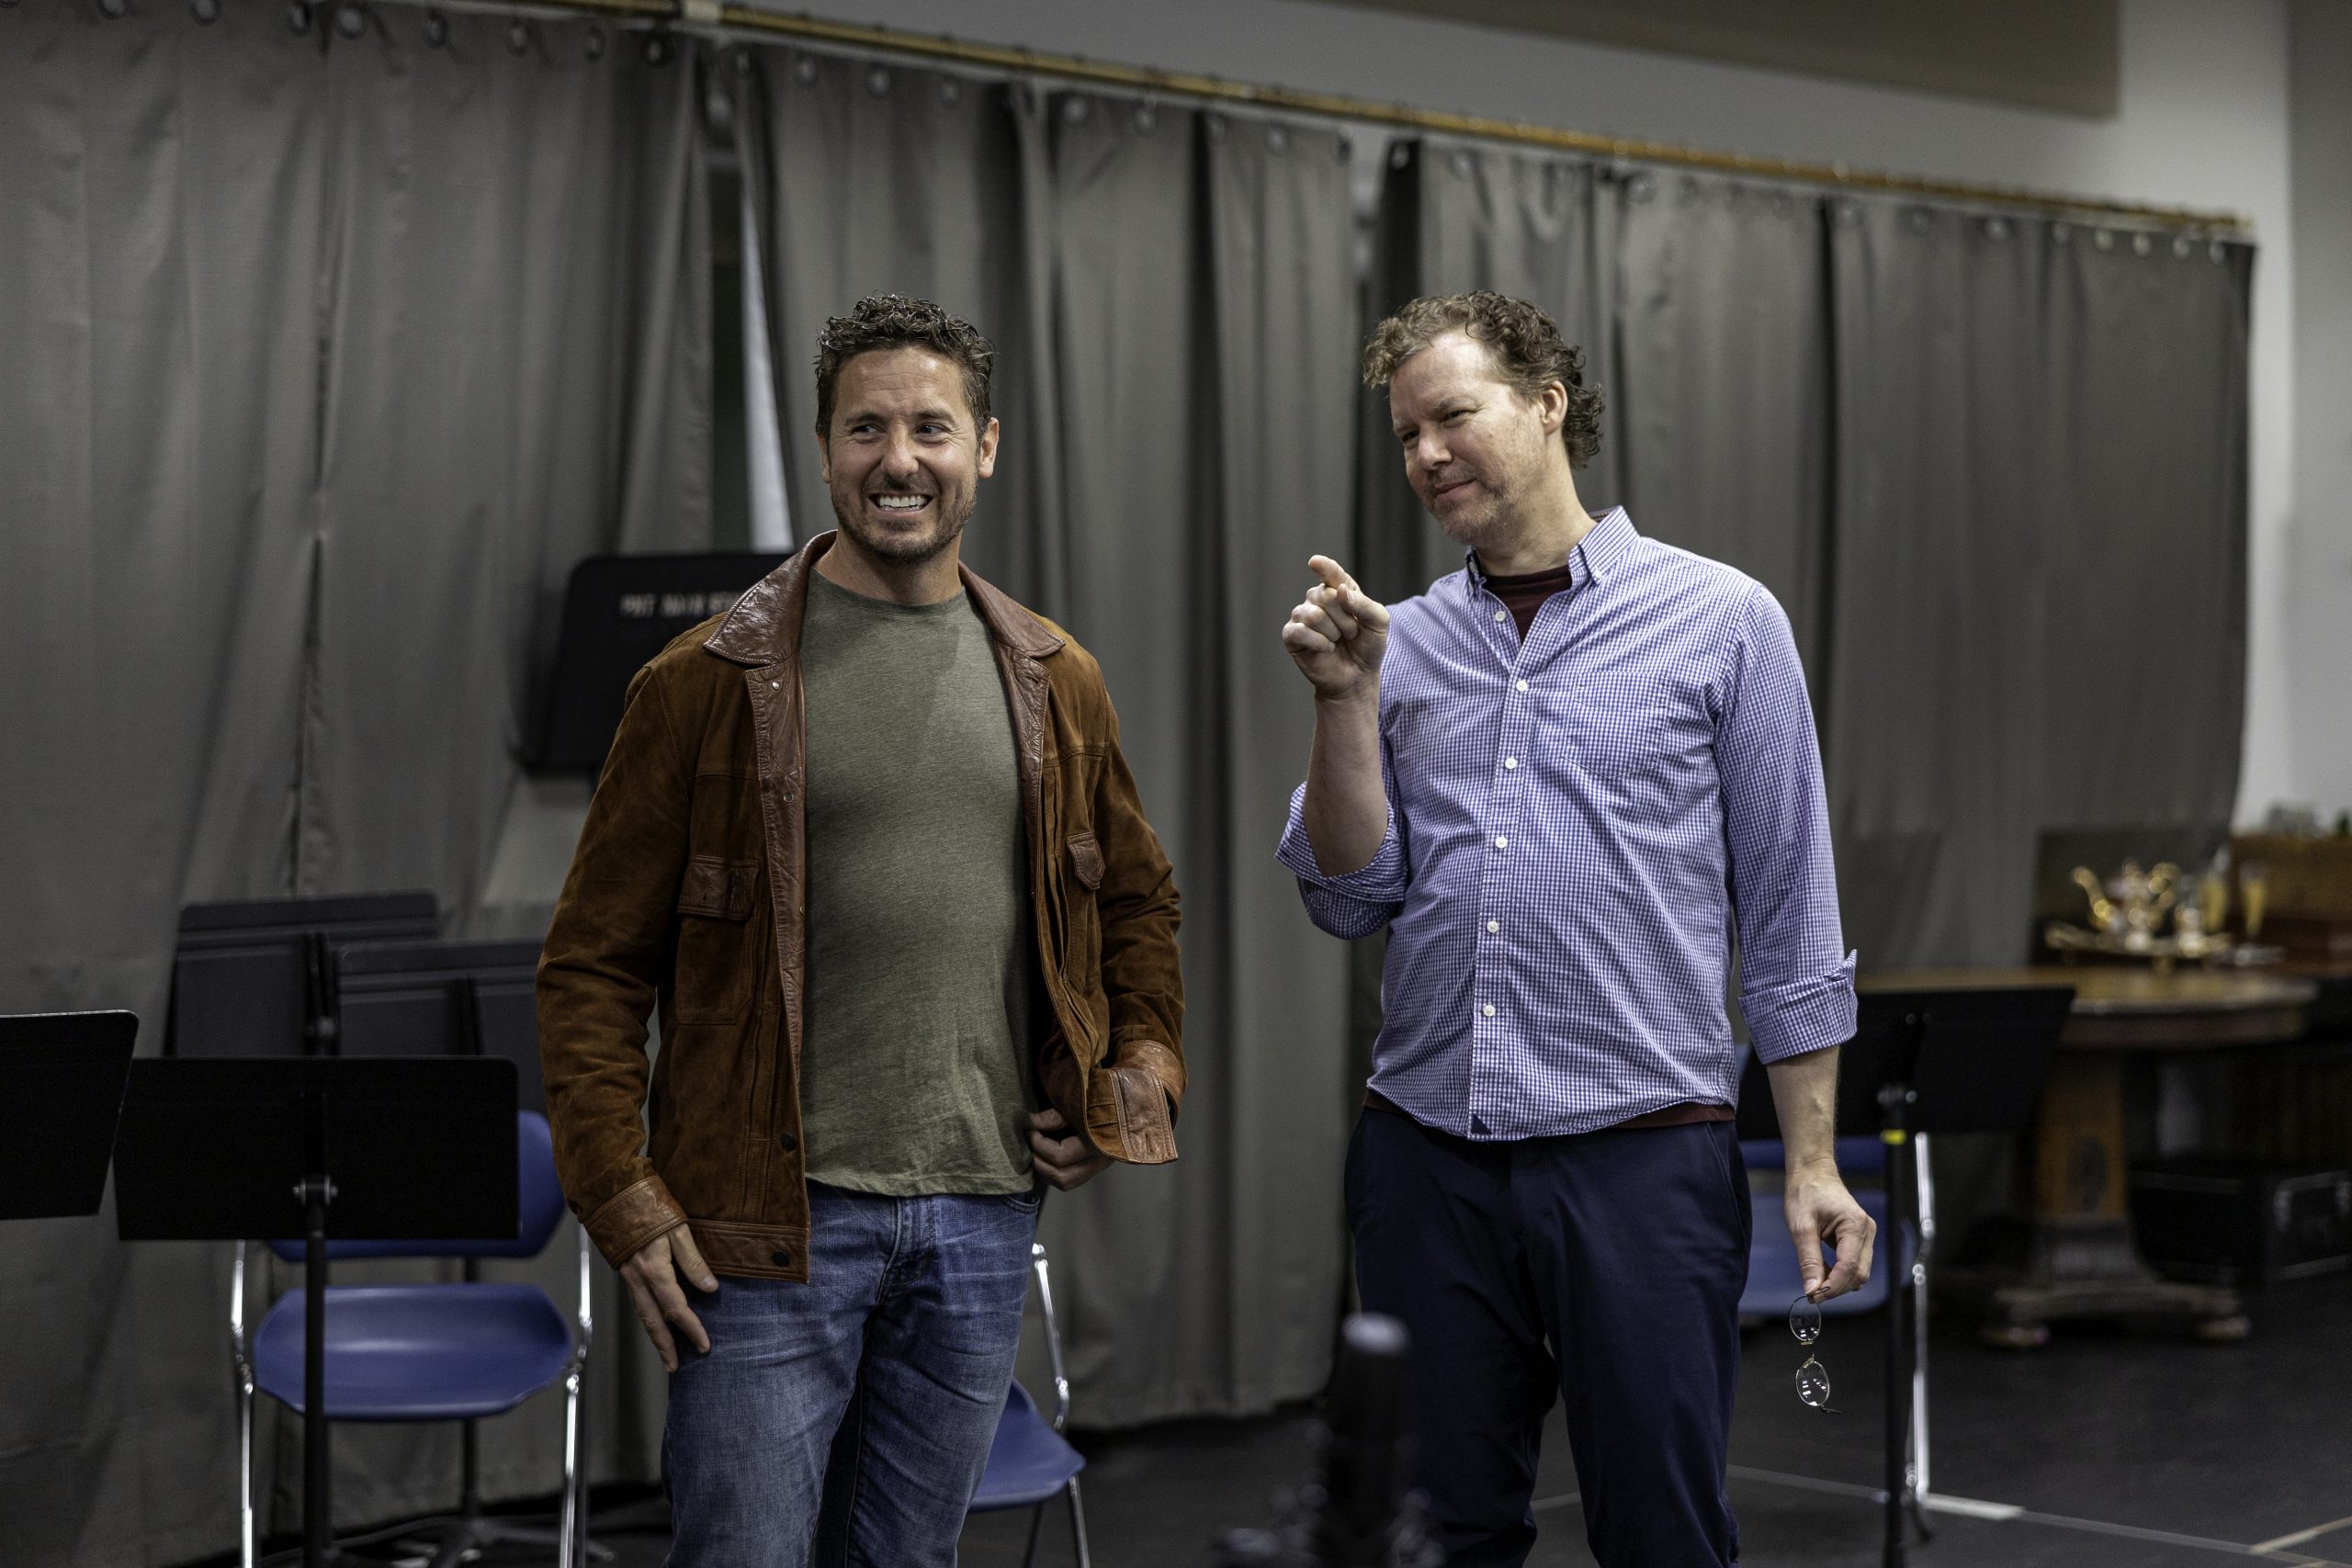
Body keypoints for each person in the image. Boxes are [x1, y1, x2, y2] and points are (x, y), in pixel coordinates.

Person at [538, 294, 1185, 1567]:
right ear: (826, 449)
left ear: (984, 447)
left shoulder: (1057, 677)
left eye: (931, 428)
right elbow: (591, 969)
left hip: (982, 1215)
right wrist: (621, 1191)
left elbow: (1135, 900)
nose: (900, 460)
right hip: (763, 1229)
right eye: (865, 429)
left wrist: (1138, 1073)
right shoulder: (700, 685)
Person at [1276, 290, 1874, 1568]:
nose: (1427, 453)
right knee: (1432, 1538)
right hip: (1428, 1162)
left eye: (1453, 416)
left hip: (1642, 1160)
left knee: (1662, 1536)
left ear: (1548, 405)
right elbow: (1346, 896)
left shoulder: (1725, 621)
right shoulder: (1398, 643)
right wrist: (1343, 704)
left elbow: (1790, 912)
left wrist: (1813, 1161)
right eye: (1406, 433)